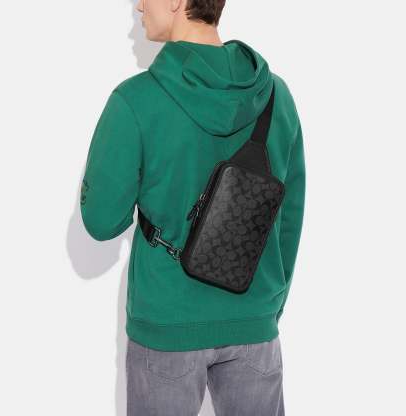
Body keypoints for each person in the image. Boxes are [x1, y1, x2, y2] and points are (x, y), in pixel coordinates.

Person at [80, 0, 306, 414]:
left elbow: (101, 221)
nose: (138, 6)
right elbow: (289, 218)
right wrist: (266, 307)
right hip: (255, 323)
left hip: (168, 326)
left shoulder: (135, 100)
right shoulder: (278, 95)